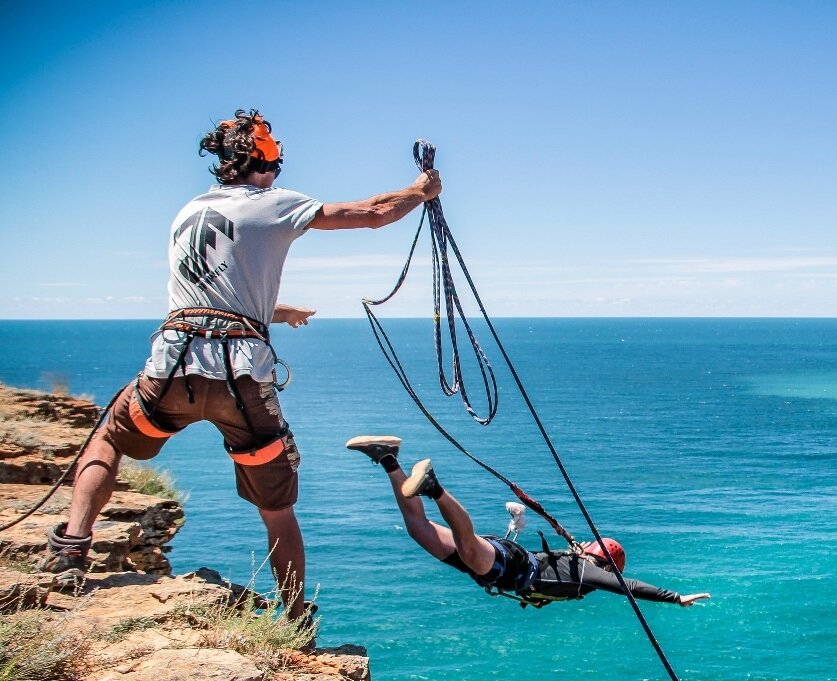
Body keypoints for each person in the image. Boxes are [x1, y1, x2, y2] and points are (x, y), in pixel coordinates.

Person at [39, 109, 442, 622]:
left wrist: (280, 308)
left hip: (172, 369)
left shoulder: (188, 212)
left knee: (109, 439)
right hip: (241, 381)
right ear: (266, 165)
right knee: (277, 510)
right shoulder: (276, 204)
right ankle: (295, 618)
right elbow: (375, 211)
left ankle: (71, 548)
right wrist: (421, 189)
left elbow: (213, 296)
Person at [345, 435, 711, 608]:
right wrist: (675, 597)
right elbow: (626, 586)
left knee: (419, 531)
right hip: (510, 566)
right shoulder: (589, 574)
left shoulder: (580, 565)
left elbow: (619, 581)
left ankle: (388, 458)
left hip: (507, 565)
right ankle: (434, 487)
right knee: (469, 545)